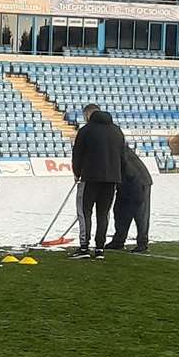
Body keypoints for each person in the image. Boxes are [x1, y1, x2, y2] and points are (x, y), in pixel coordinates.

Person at [69, 104, 125, 259]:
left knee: (84, 211)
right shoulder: (117, 131)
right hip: (111, 179)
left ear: (88, 115)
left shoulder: (86, 131)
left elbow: (77, 155)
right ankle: (100, 248)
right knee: (103, 213)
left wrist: (77, 173)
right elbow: (122, 156)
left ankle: (84, 247)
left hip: (90, 177)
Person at [107, 145, 153, 253]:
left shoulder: (113, 151)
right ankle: (119, 240)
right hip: (128, 182)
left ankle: (142, 243)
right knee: (119, 211)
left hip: (137, 182)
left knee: (140, 214)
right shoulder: (118, 146)